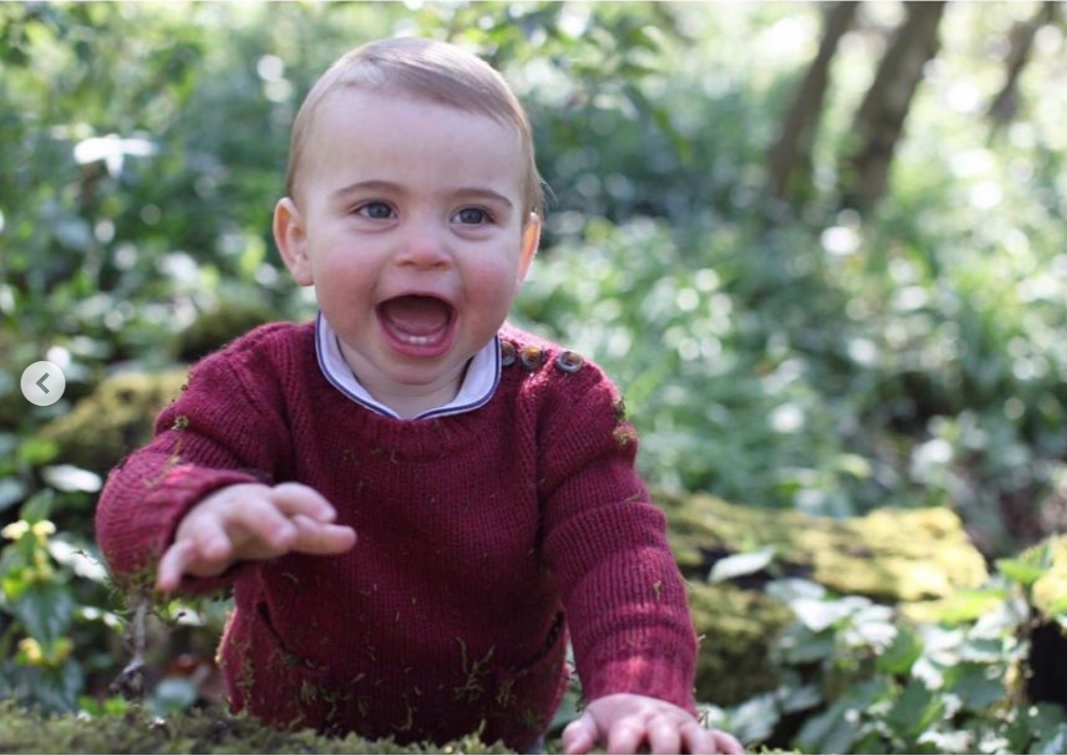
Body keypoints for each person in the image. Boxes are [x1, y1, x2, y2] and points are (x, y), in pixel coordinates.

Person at [95, 37, 743, 755]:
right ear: (299, 241)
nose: (427, 249)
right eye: (377, 209)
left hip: (491, 738)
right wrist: (199, 504)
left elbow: (620, 555)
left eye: (472, 216)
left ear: (522, 251)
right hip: (283, 735)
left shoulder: (559, 404)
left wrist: (639, 688)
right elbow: (136, 493)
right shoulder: (261, 381)